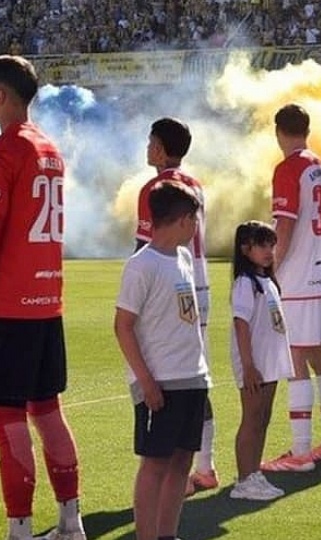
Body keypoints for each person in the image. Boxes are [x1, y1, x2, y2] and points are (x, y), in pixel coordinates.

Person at [0, 55, 84, 540]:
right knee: (48, 411)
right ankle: (71, 523)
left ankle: (20, 532)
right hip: (47, 303)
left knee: (7, 417)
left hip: (8, 307)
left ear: (1, 94)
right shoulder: (50, 148)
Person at [114, 181, 212, 540]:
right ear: (184, 220)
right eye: (195, 220)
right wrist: (146, 382)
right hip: (161, 382)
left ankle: (168, 534)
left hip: (192, 377)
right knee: (155, 464)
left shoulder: (183, 258)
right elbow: (123, 326)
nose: (196, 227)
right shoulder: (142, 265)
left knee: (183, 461)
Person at [135, 117, 218, 495]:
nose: (147, 148)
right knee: (195, 376)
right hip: (198, 284)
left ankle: (173, 472)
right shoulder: (195, 184)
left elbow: (145, 247)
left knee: (167, 376)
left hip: (169, 286)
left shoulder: (156, 189)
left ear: (161, 148)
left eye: (151, 142)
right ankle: (206, 465)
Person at [263, 103, 321, 472]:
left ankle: (300, 452)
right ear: (307, 130)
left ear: (278, 131)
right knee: (320, 355)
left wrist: (270, 267)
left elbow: (284, 225)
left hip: (299, 277)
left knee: (295, 358)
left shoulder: (289, 167)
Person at [229, 221, 294, 500]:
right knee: (252, 418)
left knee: (263, 418)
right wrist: (248, 365)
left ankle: (254, 472)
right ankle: (244, 480)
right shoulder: (246, 283)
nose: (269, 251)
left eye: (272, 245)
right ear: (246, 249)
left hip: (270, 362)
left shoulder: (268, 281)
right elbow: (241, 324)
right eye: (262, 246)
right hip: (255, 363)